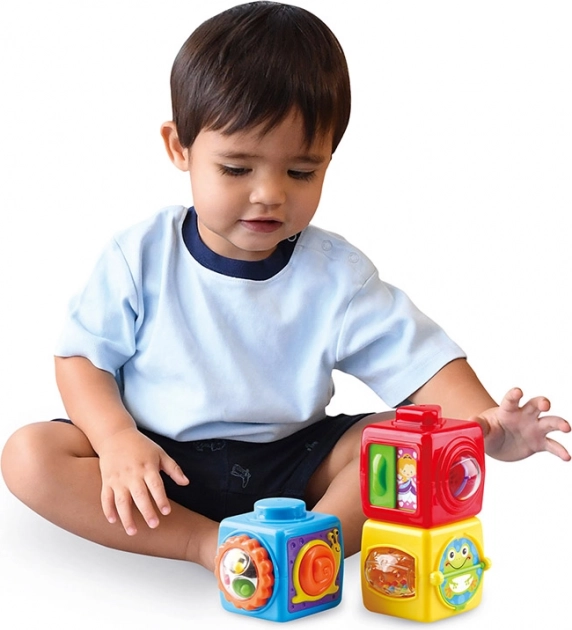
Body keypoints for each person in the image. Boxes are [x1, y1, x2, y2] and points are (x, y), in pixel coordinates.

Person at [1, 1, 569, 575]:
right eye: (236, 168)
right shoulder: (141, 255)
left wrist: (485, 426)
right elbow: (82, 359)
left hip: (296, 467)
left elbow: (422, 367)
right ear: (179, 148)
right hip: (157, 464)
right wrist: (116, 438)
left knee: (394, 446)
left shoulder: (336, 274)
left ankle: (307, 549)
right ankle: (205, 544)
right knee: (29, 455)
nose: (269, 194)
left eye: (301, 172)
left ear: (328, 161)